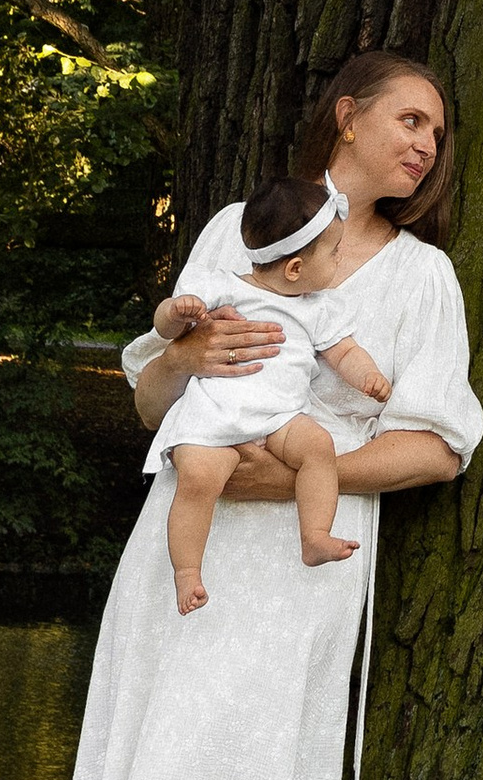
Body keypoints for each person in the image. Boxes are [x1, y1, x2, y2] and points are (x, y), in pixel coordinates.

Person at [50, 52, 483, 780]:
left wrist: (299, 471)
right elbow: (150, 402)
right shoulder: (238, 233)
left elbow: (439, 443)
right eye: (408, 119)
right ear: (345, 118)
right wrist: (188, 362)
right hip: (175, 566)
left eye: (436, 134)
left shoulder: (420, 280)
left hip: (297, 571)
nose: (423, 146)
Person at [148, 175, 395, 597]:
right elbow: (166, 326)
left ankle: (314, 534)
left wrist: (368, 376)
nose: (340, 260)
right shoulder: (225, 286)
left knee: (318, 447)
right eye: (334, 253)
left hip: (281, 418)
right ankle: (187, 572)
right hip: (215, 415)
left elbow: (345, 352)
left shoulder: (319, 308)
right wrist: (176, 312)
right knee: (199, 481)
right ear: (296, 268)